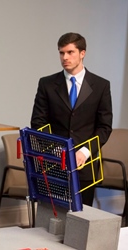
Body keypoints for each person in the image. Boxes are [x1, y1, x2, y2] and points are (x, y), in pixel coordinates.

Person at [30, 32, 112, 206]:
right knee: (51, 219)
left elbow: (104, 127)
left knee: (82, 220)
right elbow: (38, 122)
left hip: (86, 165)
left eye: (70, 52)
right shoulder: (47, 84)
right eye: (61, 53)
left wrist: (84, 152)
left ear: (82, 53)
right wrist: (57, 151)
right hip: (54, 162)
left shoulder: (101, 86)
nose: (64, 57)